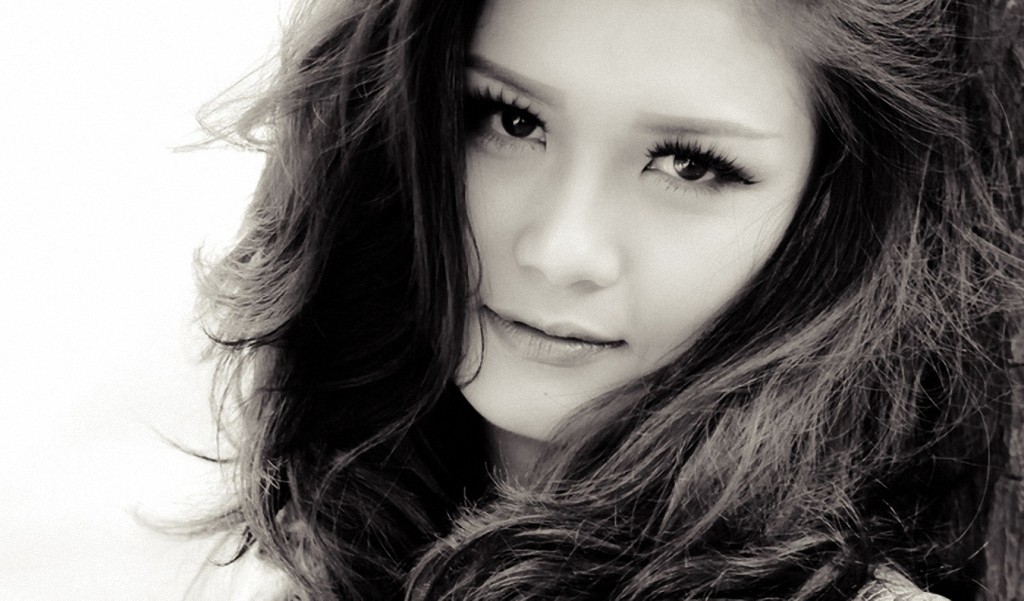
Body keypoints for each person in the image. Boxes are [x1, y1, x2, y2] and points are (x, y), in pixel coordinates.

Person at [190, 0, 1024, 599]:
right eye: (510, 120)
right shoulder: (319, 555)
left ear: (829, 214)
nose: (560, 249)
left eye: (690, 164)